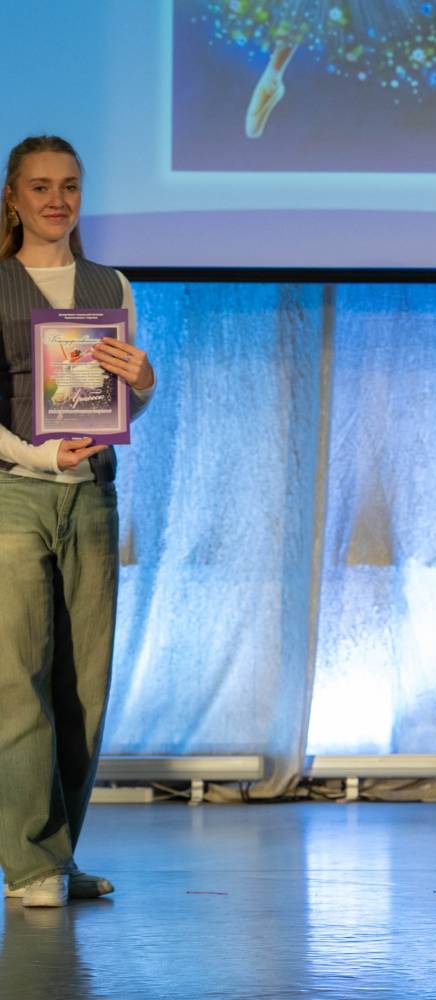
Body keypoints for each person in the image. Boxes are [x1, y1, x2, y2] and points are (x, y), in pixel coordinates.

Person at [0, 135, 158, 908]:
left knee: (84, 687)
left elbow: (118, 404)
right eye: (40, 186)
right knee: (17, 682)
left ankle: (58, 858)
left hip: (93, 494)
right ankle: (29, 865)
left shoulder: (109, 284)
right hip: (14, 495)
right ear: (13, 198)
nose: (55, 200)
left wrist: (145, 383)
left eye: (68, 186)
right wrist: (39, 456)